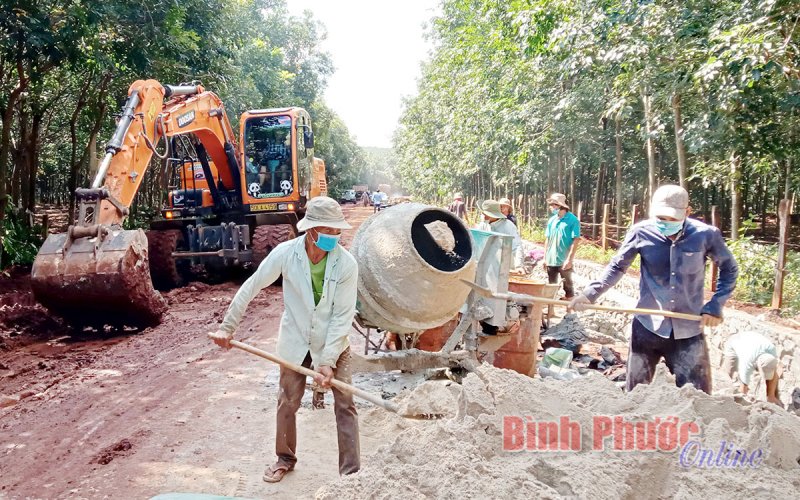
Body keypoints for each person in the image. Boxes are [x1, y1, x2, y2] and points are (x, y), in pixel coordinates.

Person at [209, 196, 360, 482]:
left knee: (345, 404)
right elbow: (252, 285)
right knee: (288, 401)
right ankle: (285, 458)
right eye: (327, 230)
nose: (334, 236)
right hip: (296, 339)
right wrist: (228, 327)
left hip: (333, 343)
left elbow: (342, 317)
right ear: (311, 230)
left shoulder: (346, 264)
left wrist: (327, 361)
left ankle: (351, 473)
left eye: (336, 230)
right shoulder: (286, 253)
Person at [569, 184, 738, 395]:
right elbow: (617, 266)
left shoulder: (705, 235)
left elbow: (729, 269)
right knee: (636, 394)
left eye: (672, 219)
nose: (665, 223)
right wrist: (590, 294)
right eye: (660, 217)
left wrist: (715, 305)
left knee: (697, 397)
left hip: (688, 330)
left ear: (687, 212)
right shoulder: (641, 232)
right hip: (647, 326)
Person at [722, 331, 782, 406]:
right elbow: (743, 389)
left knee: (770, 375)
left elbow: (776, 370)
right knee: (728, 374)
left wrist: (771, 396)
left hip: (753, 340)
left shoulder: (772, 350)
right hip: (735, 341)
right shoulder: (747, 362)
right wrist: (742, 401)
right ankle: (723, 395)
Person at [543, 193, 580, 300]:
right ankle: (551, 305)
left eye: (552, 205)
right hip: (551, 258)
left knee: (568, 286)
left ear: (559, 206)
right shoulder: (552, 220)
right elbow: (547, 239)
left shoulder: (573, 220)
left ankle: (569, 304)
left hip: (564, 258)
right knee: (551, 285)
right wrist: (545, 257)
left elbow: (576, 240)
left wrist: (570, 259)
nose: (551, 207)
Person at [476, 199, 524, 270]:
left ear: (494, 215)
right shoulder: (483, 224)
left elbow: (517, 246)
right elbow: (477, 243)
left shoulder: (508, 226)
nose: (483, 215)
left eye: (486, 213)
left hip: (504, 265)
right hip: (487, 265)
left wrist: (519, 265)